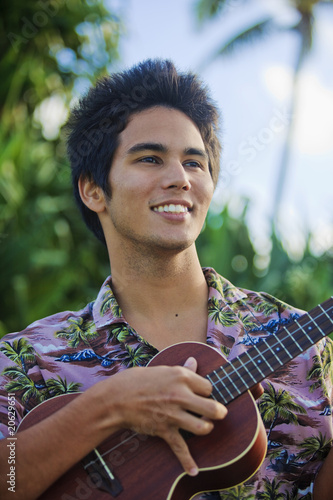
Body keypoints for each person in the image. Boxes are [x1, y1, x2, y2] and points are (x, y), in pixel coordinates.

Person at [0, 59, 332, 500]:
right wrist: (110, 405)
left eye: (195, 163)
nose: (179, 178)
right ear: (93, 189)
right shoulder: (29, 357)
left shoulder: (301, 341)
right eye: (151, 158)